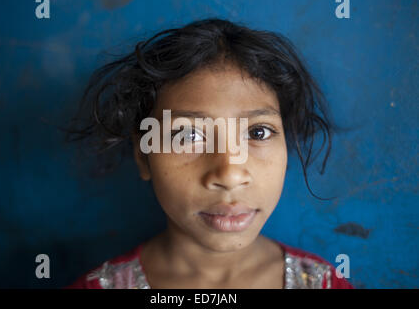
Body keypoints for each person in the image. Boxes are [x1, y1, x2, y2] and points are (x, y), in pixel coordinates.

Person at [63, 17, 354, 289]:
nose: (229, 174)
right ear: (143, 156)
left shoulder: (325, 284)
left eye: (258, 132)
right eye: (189, 136)